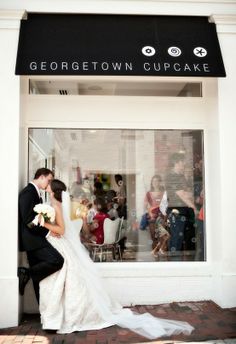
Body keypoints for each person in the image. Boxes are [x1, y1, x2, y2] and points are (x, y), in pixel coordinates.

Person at [39, 178, 194, 338]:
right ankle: (61, 313)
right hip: (61, 243)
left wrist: (43, 223)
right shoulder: (56, 203)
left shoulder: (56, 205)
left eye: (49, 183)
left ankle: (69, 314)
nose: (47, 184)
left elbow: (62, 229)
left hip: (62, 241)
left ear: (53, 188)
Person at [18, 168, 64, 302]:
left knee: (40, 280)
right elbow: (28, 221)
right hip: (32, 240)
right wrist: (48, 231)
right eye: (49, 180)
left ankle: (43, 313)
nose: (49, 184)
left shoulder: (36, 193)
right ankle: (26, 272)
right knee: (57, 260)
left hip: (35, 238)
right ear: (41, 177)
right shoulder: (28, 192)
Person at [165, 153, 197, 257]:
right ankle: (174, 267)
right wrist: (194, 207)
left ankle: (183, 265)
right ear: (176, 163)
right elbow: (182, 194)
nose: (184, 164)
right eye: (182, 162)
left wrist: (189, 194)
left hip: (185, 212)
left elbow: (189, 192)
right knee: (176, 239)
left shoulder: (181, 176)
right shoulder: (172, 176)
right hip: (176, 212)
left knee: (185, 239)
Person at [144, 175, 167, 249]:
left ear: (160, 182)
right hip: (152, 218)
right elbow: (145, 205)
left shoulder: (164, 193)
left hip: (162, 217)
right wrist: (150, 212)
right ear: (151, 183)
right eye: (153, 181)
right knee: (153, 236)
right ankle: (154, 253)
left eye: (157, 181)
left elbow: (166, 205)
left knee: (162, 237)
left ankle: (162, 252)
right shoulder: (148, 193)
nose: (155, 183)